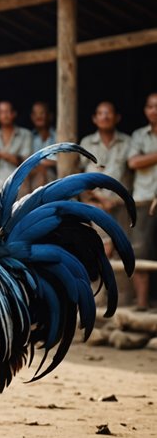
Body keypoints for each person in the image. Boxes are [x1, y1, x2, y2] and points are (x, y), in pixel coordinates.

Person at [79, 101, 132, 256]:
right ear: (94, 119)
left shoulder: (127, 142)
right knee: (103, 246)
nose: (105, 117)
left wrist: (114, 201)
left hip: (122, 205)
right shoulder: (87, 143)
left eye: (108, 113)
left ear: (117, 118)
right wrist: (97, 199)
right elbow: (79, 176)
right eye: (100, 113)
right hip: (95, 204)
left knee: (123, 249)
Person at [127, 92, 157, 311]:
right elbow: (133, 162)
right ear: (145, 110)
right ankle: (142, 304)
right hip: (143, 199)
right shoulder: (138, 135)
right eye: (150, 106)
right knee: (140, 251)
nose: (154, 110)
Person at [0, 100, 33, 204]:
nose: (5, 115)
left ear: (14, 114)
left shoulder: (25, 134)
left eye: (8, 111)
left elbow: (26, 161)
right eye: (2, 112)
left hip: (20, 189)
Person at [29, 101, 57, 190]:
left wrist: (46, 164)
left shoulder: (59, 136)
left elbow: (66, 161)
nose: (38, 117)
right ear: (32, 117)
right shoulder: (29, 137)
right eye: (35, 114)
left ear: (50, 116)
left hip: (56, 178)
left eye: (42, 113)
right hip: (33, 178)